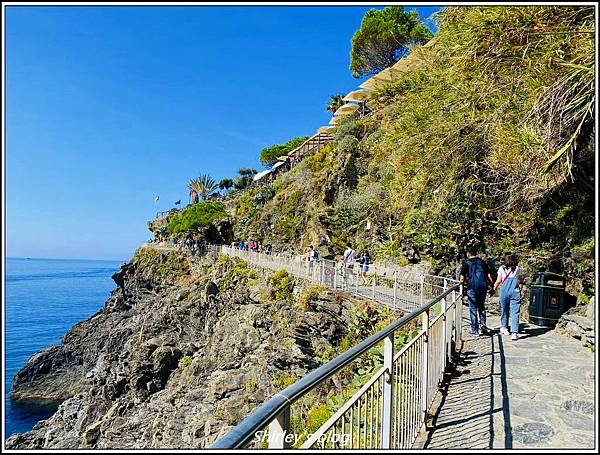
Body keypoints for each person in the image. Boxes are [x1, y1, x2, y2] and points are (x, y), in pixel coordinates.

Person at [459, 246, 494, 337]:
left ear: (468, 254)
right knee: (481, 306)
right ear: (476, 253)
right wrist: (492, 287)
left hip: (472, 288)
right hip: (483, 287)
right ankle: (483, 326)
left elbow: (462, 278)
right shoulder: (482, 262)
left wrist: (461, 290)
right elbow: (488, 276)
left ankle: (475, 330)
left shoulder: (466, 263)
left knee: (473, 308)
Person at [493, 253, 524, 340]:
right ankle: (514, 332)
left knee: (504, 310)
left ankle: (505, 328)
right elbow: (520, 280)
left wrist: (494, 288)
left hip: (504, 291)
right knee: (515, 312)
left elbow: (499, 281)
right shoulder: (517, 269)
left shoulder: (501, 269)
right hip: (515, 291)